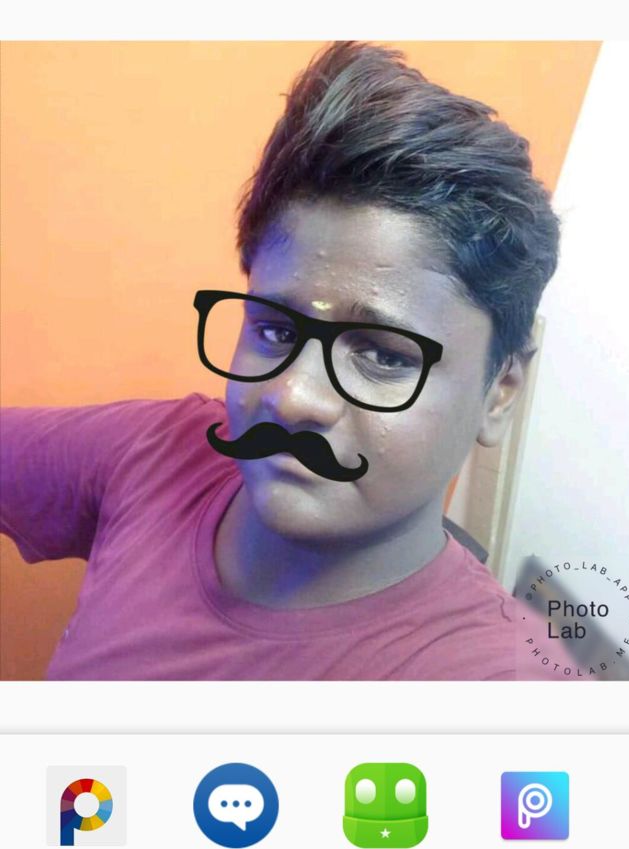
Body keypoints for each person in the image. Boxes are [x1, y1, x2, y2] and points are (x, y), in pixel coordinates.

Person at [0, 41, 572, 680]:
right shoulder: (154, 451)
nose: (292, 396)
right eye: (274, 330)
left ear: (500, 392)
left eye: (381, 355)